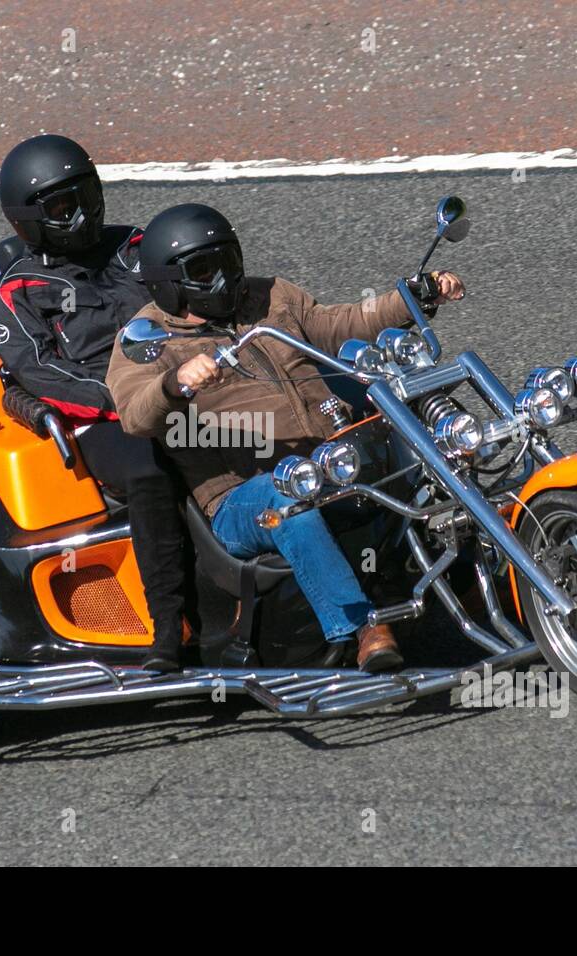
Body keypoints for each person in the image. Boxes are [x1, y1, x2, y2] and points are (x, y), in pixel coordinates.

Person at [106, 204, 465, 672]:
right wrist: (174, 383)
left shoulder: (271, 297)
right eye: (202, 270)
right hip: (241, 499)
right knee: (286, 499)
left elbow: (341, 323)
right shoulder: (148, 338)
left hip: (331, 459)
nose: (222, 279)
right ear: (169, 283)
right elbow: (134, 413)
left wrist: (412, 297)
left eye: (228, 262)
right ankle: (363, 626)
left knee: (438, 435)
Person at [0, 134, 190, 671]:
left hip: (194, 381)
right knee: (150, 469)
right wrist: (134, 398)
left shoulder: (139, 245)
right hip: (108, 418)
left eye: (86, 195)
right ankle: (169, 628)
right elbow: (43, 373)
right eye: (60, 207)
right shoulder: (17, 292)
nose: (80, 214)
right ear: (28, 219)